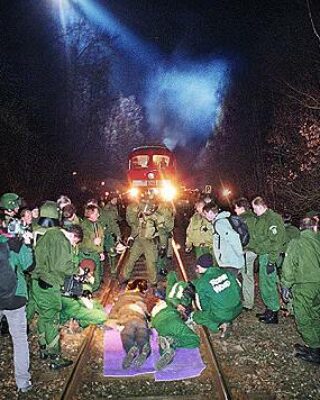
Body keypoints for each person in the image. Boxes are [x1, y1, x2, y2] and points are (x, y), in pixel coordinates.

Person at [32, 222, 83, 369]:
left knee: (43, 316)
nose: (74, 245)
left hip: (37, 282)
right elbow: (62, 267)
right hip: (49, 285)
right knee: (52, 321)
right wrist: (77, 271)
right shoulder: (62, 241)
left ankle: (43, 349)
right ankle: (55, 358)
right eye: (75, 242)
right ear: (73, 236)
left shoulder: (50, 233)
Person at [281, 217, 320, 364]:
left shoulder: (297, 243)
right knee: (315, 313)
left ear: (301, 228)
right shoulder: (318, 240)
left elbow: (289, 267)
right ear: (314, 228)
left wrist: (286, 285)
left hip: (305, 285)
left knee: (303, 316)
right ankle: (314, 344)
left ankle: (315, 350)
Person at [0, 229, 34, 393]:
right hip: (15, 297)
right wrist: (27, 244)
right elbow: (30, 266)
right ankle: (23, 383)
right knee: (19, 340)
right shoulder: (14, 242)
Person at [147, 271, 200, 370]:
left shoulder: (152, 314)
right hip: (172, 319)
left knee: (165, 342)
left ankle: (166, 350)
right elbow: (171, 276)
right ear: (158, 300)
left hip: (158, 324)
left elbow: (150, 325)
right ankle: (173, 341)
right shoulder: (166, 301)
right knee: (194, 340)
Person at [250, 196, 285, 324]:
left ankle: (274, 313)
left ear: (261, 206)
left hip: (269, 256)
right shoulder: (262, 218)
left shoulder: (273, 219)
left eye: (255, 208)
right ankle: (269, 309)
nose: (254, 211)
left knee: (269, 285)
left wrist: (271, 261)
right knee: (264, 285)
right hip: (263, 256)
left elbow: (276, 242)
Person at [191, 254, 242, 336]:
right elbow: (238, 288)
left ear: (200, 266)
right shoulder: (226, 273)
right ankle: (226, 320)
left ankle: (219, 326)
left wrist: (208, 314)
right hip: (237, 308)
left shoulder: (201, 283)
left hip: (221, 314)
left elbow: (203, 306)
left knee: (196, 316)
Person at [106, 279, 151, 369]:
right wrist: (150, 320)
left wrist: (113, 321)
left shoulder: (122, 296)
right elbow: (149, 310)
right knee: (142, 333)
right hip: (140, 314)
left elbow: (113, 312)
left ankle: (130, 349)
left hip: (126, 314)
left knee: (126, 334)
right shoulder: (143, 297)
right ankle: (144, 347)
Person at [121, 197, 167, 286]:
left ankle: (153, 282)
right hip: (139, 240)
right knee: (132, 259)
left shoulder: (158, 217)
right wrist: (131, 237)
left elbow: (162, 233)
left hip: (150, 242)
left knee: (151, 263)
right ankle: (125, 276)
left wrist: (163, 246)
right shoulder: (141, 215)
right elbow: (137, 228)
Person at [202, 202, 245, 275]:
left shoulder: (220, 223)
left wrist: (240, 253)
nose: (205, 216)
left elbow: (234, 237)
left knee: (231, 283)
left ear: (210, 212)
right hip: (228, 259)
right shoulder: (220, 221)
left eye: (205, 213)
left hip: (230, 260)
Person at [233, 197, 257, 311]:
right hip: (252, 251)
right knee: (245, 275)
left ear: (242, 208)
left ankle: (248, 303)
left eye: (236, 207)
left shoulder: (241, 219)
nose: (235, 210)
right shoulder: (254, 217)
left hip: (246, 251)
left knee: (247, 277)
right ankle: (244, 299)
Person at [79, 204, 105, 291]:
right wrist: (92, 242)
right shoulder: (84, 226)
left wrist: (101, 252)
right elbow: (82, 242)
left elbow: (100, 238)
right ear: (90, 214)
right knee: (88, 277)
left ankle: (93, 292)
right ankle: (88, 294)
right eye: (96, 213)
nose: (98, 215)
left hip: (95, 254)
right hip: (87, 255)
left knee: (96, 277)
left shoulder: (97, 224)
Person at [100, 193, 121, 277]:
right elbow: (112, 223)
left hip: (109, 230)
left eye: (116, 199)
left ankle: (112, 269)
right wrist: (118, 234)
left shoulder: (114, 207)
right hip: (108, 232)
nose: (115, 201)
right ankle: (111, 270)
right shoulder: (108, 210)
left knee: (110, 251)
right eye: (114, 199)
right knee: (111, 251)